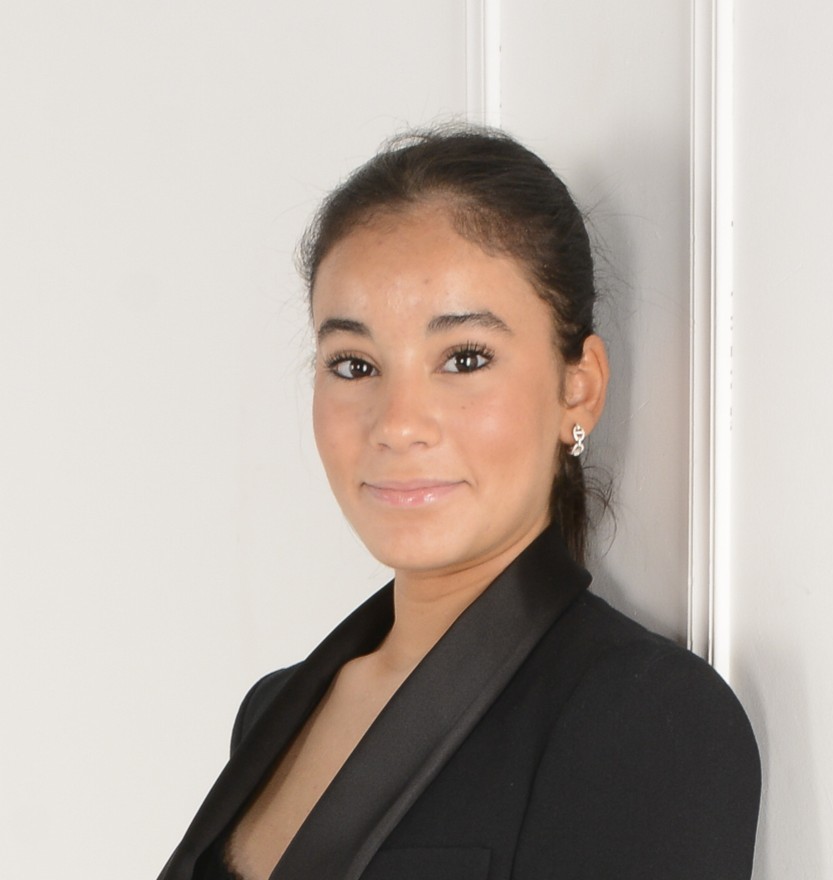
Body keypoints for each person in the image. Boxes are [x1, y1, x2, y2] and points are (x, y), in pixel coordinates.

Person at [158, 127, 761, 880]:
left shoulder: (647, 718)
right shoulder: (273, 712)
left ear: (579, 388)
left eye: (464, 358)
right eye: (354, 365)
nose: (398, 423)